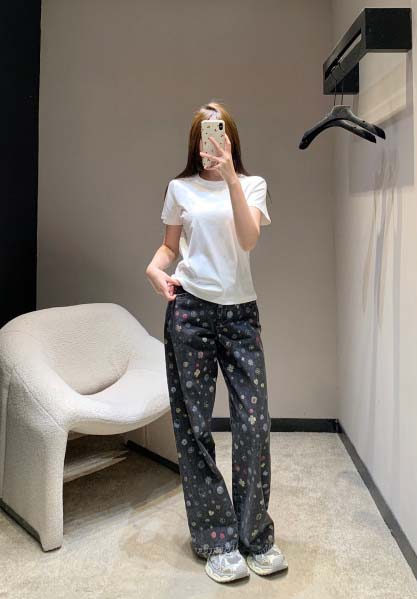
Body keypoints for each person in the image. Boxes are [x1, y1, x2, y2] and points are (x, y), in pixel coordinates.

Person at [146, 101, 288, 583]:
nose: (211, 138)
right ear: (196, 139)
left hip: (240, 315)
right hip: (190, 311)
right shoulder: (179, 188)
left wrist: (229, 177)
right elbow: (170, 246)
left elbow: (247, 240)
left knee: (254, 424)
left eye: (219, 129)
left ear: (230, 137)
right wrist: (154, 269)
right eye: (205, 130)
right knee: (194, 427)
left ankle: (255, 536)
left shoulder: (252, 185)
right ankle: (216, 539)